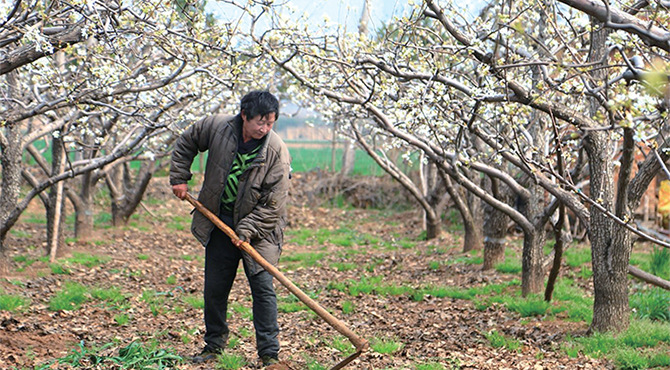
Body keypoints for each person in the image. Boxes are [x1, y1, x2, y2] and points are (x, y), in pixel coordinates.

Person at [170, 90, 291, 367]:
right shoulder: (216, 127)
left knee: (263, 289)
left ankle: (269, 355)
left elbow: (274, 203)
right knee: (215, 287)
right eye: (260, 122)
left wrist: (247, 230)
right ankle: (214, 346)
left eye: (271, 123)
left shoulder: (276, 151)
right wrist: (179, 177)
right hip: (220, 222)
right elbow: (187, 141)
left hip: (259, 231)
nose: (265, 128)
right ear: (244, 115)